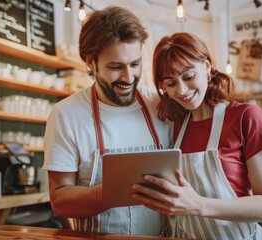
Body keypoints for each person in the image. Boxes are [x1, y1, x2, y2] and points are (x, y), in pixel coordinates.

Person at [131, 32, 262, 239]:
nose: (182, 90)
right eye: (171, 83)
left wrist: (199, 205)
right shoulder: (175, 127)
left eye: (189, 76)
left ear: (208, 68)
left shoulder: (244, 117)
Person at [42, 6, 172, 236]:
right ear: (91, 63)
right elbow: (60, 200)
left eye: (135, 64)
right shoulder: (66, 115)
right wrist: (118, 189)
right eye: (116, 67)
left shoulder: (159, 106)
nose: (128, 77)